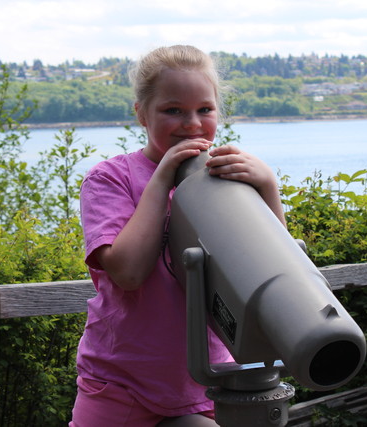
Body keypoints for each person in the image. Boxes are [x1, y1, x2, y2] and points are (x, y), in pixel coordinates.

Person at [69, 45, 287, 427]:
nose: (191, 123)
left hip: (205, 383)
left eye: (205, 109)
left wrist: (268, 187)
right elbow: (129, 272)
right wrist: (163, 177)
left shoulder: (227, 183)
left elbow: (275, 273)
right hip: (120, 385)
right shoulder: (109, 179)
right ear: (141, 114)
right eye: (173, 110)